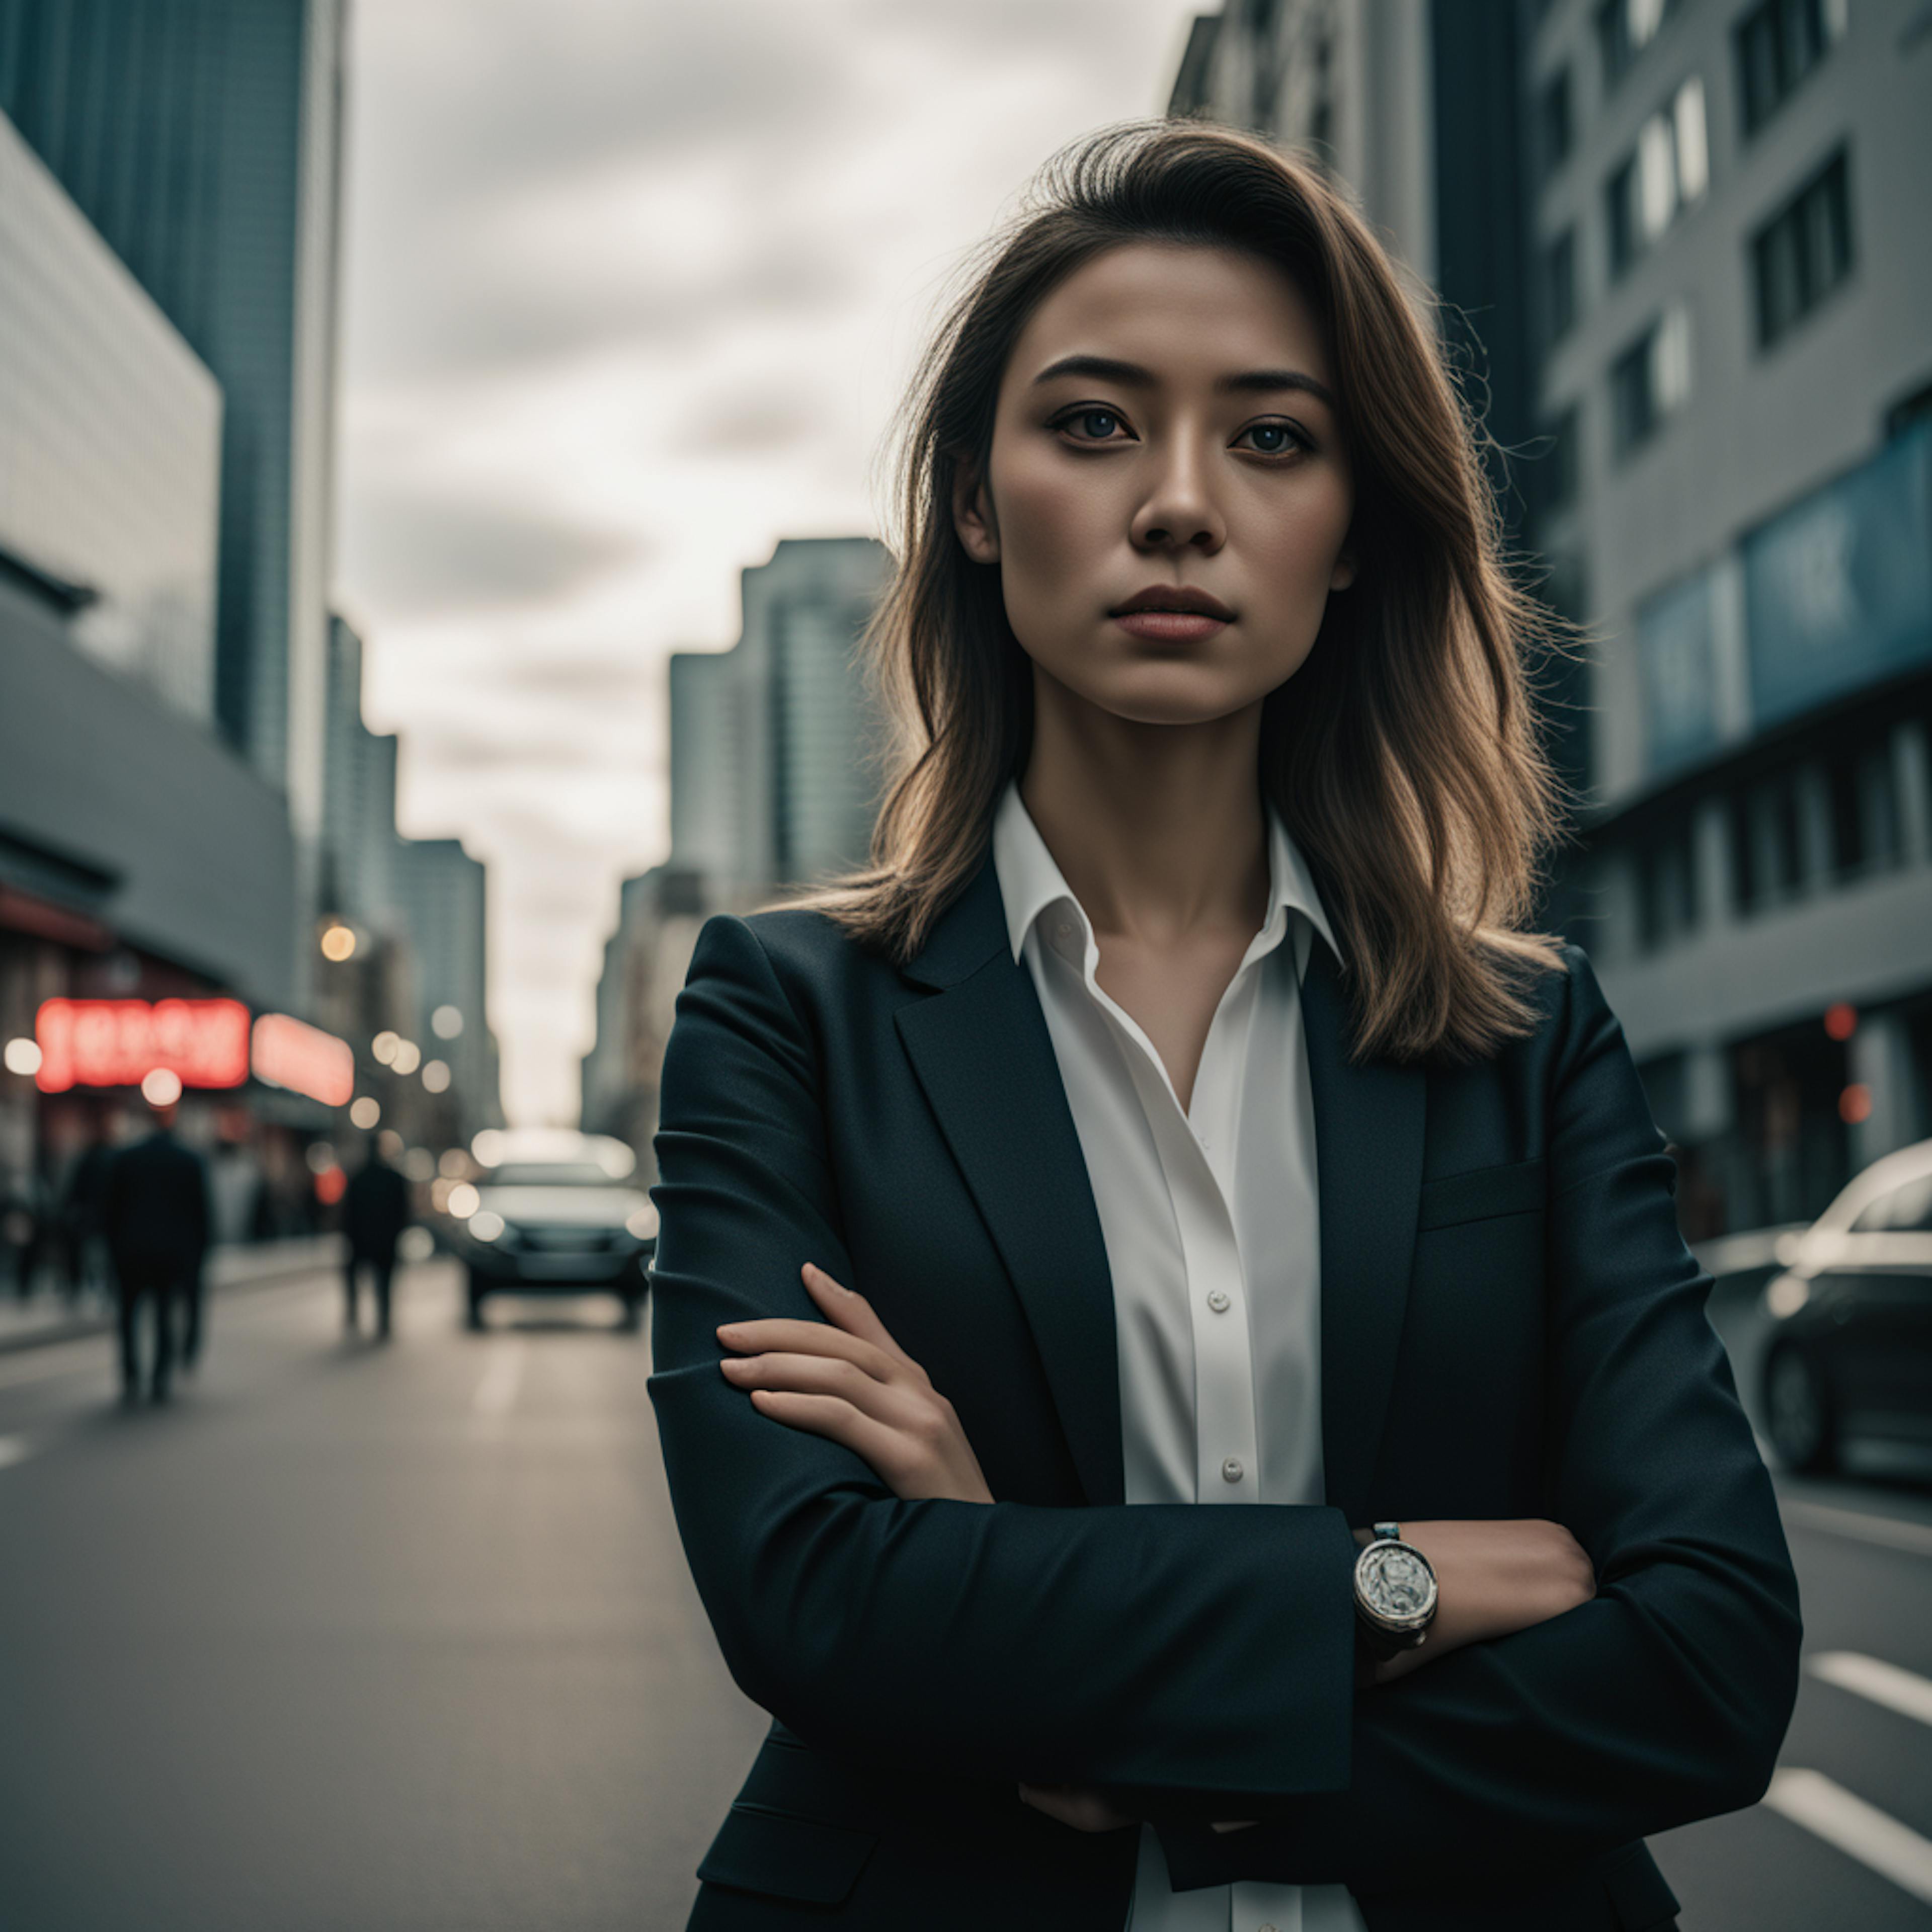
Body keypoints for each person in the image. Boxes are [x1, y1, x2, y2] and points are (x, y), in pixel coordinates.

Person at [647, 124, 1801, 1930]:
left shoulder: (1530, 1034)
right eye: (1095, 424)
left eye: (1272, 438)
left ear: (1350, 537)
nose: (1178, 502)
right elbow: (813, 1602)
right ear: (971, 497)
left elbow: (1710, 1660)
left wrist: (1020, 1605)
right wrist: (1392, 1580)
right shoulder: (785, 1017)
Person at [103, 1100, 212, 1404]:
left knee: (128, 1315)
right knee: (164, 1314)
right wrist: (199, 1256)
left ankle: (130, 1374)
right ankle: (160, 1377)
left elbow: (110, 1211)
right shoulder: (189, 1161)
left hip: (131, 1251)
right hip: (171, 1254)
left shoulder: (126, 1159)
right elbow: (201, 1215)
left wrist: (112, 1249)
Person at [340, 1140, 411, 1339]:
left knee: (356, 1276)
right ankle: (383, 1319)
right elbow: (404, 1212)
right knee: (385, 1281)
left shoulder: (357, 1177)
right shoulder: (393, 1178)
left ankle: (356, 1313)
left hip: (362, 1238)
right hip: (384, 1239)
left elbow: (348, 1213)